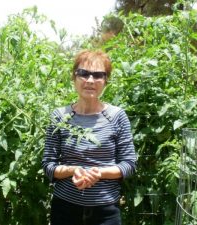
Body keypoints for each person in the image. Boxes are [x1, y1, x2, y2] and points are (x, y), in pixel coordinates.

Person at [42, 49, 137, 225]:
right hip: (64, 210)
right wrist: (73, 170)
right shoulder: (59, 116)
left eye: (98, 75)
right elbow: (48, 165)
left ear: (105, 80)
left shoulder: (117, 116)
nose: (90, 80)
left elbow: (129, 165)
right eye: (83, 73)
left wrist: (98, 173)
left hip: (105, 212)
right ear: (74, 77)